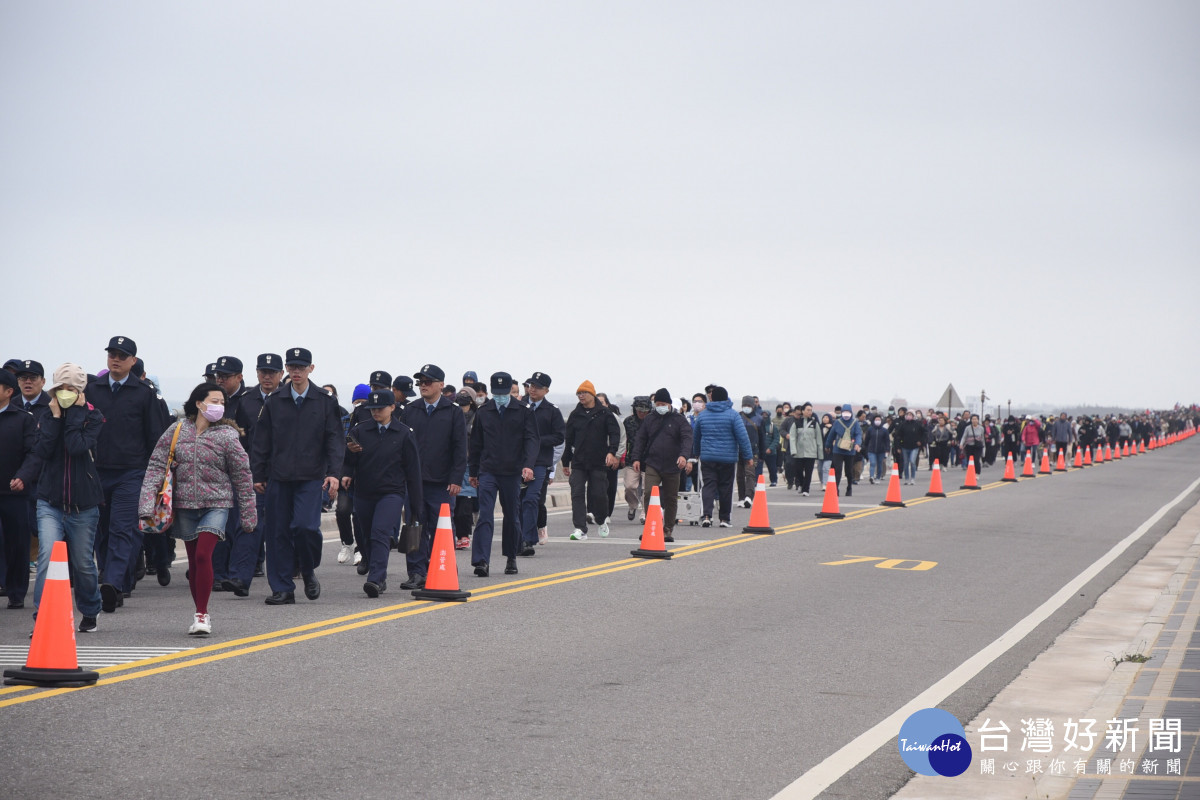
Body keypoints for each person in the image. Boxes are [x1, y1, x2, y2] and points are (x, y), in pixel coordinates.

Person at [138, 383, 256, 635]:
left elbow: (242, 476)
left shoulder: (227, 435)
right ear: (199, 403)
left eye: (222, 402)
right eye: (214, 401)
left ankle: (202, 615)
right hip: (184, 505)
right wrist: (146, 503)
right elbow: (156, 466)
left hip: (217, 504)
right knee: (194, 560)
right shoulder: (176, 430)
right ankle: (199, 610)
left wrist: (248, 513)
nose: (219, 406)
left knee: (204, 555)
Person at [251, 348, 344, 605]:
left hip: (311, 477)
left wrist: (334, 474)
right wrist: (258, 473)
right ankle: (282, 588)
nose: (296, 372)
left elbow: (335, 440)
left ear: (311, 368)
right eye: (292, 367)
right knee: (277, 532)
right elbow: (261, 441)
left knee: (305, 527)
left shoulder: (325, 401)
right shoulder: (275, 400)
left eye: (301, 367)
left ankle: (307, 567)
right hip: (278, 477)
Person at [85, 336, 171, 614]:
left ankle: (112, 583)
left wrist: (154, 477)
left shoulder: (144, 393)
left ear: (133, 361)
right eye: (112, 354)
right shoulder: (93, 390)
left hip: (131, 474)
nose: (116, 359)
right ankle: (115, 583)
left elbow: (156, 438)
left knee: (122, 528)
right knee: (101, 530)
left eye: (122, 356)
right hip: (96, 471)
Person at [29, 364, 105, 632]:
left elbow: (76, 447)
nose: (64, 393)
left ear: (80, 391)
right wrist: (55, 419)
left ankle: (90, 610)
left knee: (83, 563)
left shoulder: (94, 417)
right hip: (49, 502)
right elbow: (43, 450)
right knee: (46, 558)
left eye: (70, 389)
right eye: (60, 388)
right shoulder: (46, 415)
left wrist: (74, 416)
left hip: (83, 505)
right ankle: (43, 613)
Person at [342, 389, 423, 597]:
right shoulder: (360, 431)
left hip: (392, 493)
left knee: (380, 532)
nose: (376, 412)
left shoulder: (404, 433)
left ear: (392, 408)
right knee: (366, 534)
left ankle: (376, 579)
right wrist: (347, 472)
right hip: (364, 492)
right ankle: (376, 569)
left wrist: (415, 504)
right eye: (372, 408)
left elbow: (413, 471)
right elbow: (348, 460)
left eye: (380, 408)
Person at [218, 353, 282, 596]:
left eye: (272, 372)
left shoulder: (287, 399)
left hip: (284, 474)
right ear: (256, 374)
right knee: (248, 525)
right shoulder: (247, 401)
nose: (267, 376)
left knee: (281, 528)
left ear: (280, 374)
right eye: (263, 371)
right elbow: (241, 438)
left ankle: (290, 573)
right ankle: (239, 577)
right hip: (253, 474)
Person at [399, 364, 467, 590]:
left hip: (442, 483)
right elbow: (402, 446)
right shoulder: (411, 410)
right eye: (420, 382)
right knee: (415, 527)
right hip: (414, 481)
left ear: (440, 384)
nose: (423, 386)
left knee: (442, 528)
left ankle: (444, 568)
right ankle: (417, 572)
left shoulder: (453, 411)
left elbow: (459, 448)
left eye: (428, 382)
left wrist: (456, 479)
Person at [468, 372, 537, 577]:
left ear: (510, 391)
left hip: (512, 472)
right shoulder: (483, 412)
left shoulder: (524, 411)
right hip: (488, 470)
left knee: (511, 516)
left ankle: (511, 557)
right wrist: (473, 471)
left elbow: (532, 440)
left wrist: (528, 465)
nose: (499, 396)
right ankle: (481, 561)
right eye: (496, 393)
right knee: (485, 516)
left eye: (503, 392)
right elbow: (476, 444)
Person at [0, 369, 41, 609]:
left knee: (17, 543)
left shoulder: (23, 419)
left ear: (8, 392)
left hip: (15, 491)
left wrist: (23, 477)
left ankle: (16, 591)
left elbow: (34, 453)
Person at [630, 388, 693, 543]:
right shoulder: (649, 419)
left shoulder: (679, 420)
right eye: (658, 404)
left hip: (673, 465)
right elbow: (640, 440)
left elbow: (687, 439)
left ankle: (667, 529)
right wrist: (636, 458)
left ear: (670, 404)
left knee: (671, 498)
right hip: (653, 463)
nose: (660, 406)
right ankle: (650, 527)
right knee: (649, 493)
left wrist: (684, 456)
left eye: (663, 404)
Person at [562, 381, 620, 540]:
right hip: (579, 461)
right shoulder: (575, 414)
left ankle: (601, 521)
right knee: (577, 494)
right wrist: (566, 462)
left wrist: (612, 452)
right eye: (578, 394)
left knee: (599, 494)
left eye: (584, 393)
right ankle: (580, 528)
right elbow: (569, 439)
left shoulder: (604, 413)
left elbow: (614, 434)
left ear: (592, 394)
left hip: (598, 462)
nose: (581, 396)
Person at [690, 386, 753, 528]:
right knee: (726, 487)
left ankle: (706, 516)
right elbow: (743, 437)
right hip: (728, 459)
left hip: (707, 458)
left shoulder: (703, 415)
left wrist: (697, 453)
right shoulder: (733, 415)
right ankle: (724, 519)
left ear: (711, 398)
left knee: (707, 486)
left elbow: (696, 437)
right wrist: (748, 456)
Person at [519, 372, 565, 556]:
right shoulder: (520, 406)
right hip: (519, 461)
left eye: (537, 387)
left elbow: (559, 436)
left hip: (539, 462)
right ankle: (517, 536)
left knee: (532, 499)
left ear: (546, 390)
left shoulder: (552, 411)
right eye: (531, 385)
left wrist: (536, 441)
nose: (532, 389)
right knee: (518, 501)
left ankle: (527, 540)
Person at [452, 388, 478, 550]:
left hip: (471, 464)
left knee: (465, 505)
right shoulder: (452, 415)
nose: (462, 399)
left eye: (466, 396)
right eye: (460, 395)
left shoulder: (478, 417)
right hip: (455, 463)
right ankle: (455, 534)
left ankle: (464, 535)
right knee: (453, 503)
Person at [622, 397, 651, 521]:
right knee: (629, 486)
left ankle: (645, 512)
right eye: (639, 410)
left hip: (649, 460)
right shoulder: (628, 422)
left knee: (646, 488)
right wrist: (622, 456)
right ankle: (633, 505)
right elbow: (623, 440)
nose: (642, 413)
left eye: (645, 410)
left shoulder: (653, 421)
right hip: (631, 459)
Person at [823, 404, 862, 497]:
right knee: (838, 470)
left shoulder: (855, 423)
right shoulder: (837, 422)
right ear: (841, 412)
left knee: (848, 471)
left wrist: (857, 444)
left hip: (850, 450)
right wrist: (827, 446)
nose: (846, 414)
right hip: (838, 450)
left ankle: (849, 487)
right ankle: (836, 488)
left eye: (848, 412)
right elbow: (831, 435)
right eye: (844, 412)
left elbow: (858, 434)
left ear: (851, 413)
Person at [788, 403, 824, 496]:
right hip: (799, 452)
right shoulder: (796, 423)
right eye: (808, 410)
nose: (809, 412)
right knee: (798, 471)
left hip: (811, 452)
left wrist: (820, 454)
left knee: (809, 472)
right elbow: (792, 438)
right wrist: (793, 450)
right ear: (803, 411)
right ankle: (802, 484)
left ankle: (806, 489)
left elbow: (819, 439)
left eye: (811, 410)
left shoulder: (814, 424)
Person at [736, 396, 764, 508]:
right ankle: (741, 497)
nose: (746, 408)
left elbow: (762, 438)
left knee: (750, 474)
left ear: (753, 406)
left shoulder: (759, 419)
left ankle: (748, 497)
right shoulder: (738, 417)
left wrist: (762, 453)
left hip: (753, 451)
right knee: (740, 475)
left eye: (749, 405)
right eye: (745, 405)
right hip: (738, 451)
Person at [895, 410, 926, 485]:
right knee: (905, 463)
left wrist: (920, 441)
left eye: (910, 414)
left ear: (913, 416)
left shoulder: (917, 424)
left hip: (914, 447)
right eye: (907, 414)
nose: (909, 416)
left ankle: (912, 478)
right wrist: (898, 447)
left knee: (912, 461)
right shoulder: (903, 424)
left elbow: (924, 433)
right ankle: (906, 478)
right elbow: (898, 436)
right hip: (905, 447)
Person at [862, 413, 890, 485]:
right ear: (874, 421)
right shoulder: (870, 429)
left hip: (881, 450)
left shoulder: (884, 430)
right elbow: (867, 440)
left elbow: (887, 441)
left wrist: (887, 450)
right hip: (871, 450)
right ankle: (871, 476)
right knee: (873, 463)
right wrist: (865, 448)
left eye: (879, 419)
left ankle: (878, 477)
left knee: (880, 464)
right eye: (876, 419)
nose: (878, 421)